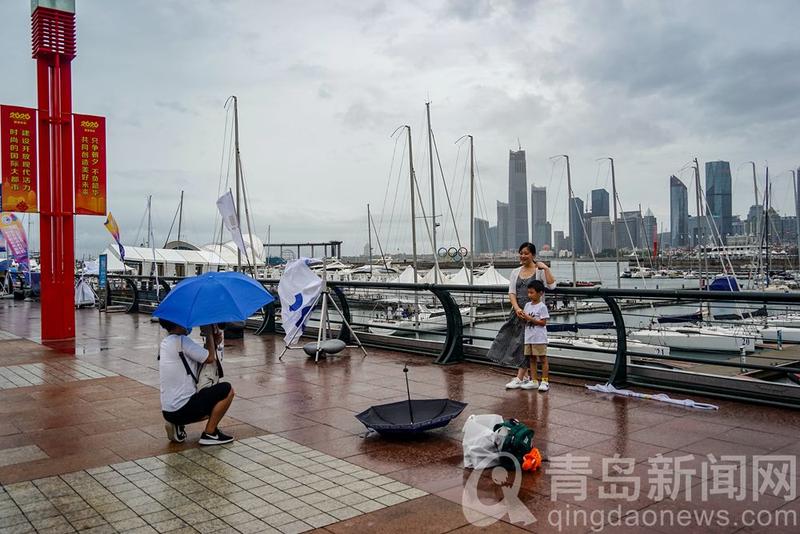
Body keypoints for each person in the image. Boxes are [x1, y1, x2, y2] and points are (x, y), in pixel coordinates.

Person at [486, 242, 556, 389]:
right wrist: (517, 308)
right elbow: (512, 292)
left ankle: (522, 377)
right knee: (508, 339)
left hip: (532, 314)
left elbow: (551, 286)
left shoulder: (539, 272)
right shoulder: (515, 272)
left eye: (526, 253)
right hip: (517, 313)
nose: (523, 256)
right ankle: (524, 376)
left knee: (524, 344)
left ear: (533, 255)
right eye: (521, 253)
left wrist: (546, 268)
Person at [158, 319, 235, 446]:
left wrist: (213, 343)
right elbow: (210, 358)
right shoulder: (182, 341)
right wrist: (209, 333)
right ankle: (210, 433)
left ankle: (176, 424)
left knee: (207, 394)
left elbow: (201, 358)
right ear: (179, 322)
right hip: (183, 409)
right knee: (227, 390)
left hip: (168, 411)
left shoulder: (166, 343)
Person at [521, 279, 550, 392]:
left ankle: (545, 381)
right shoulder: (527, 305)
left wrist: (530, 319)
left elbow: (543, 323)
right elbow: (525, 320)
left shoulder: (542, 306)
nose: (529, 295)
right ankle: (534, 380)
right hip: (529, 337)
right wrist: (523, 317)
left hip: (539, 337)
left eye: (532, 292)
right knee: (531, 359)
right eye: (528, 292)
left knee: (542, 359)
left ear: (540, 293)